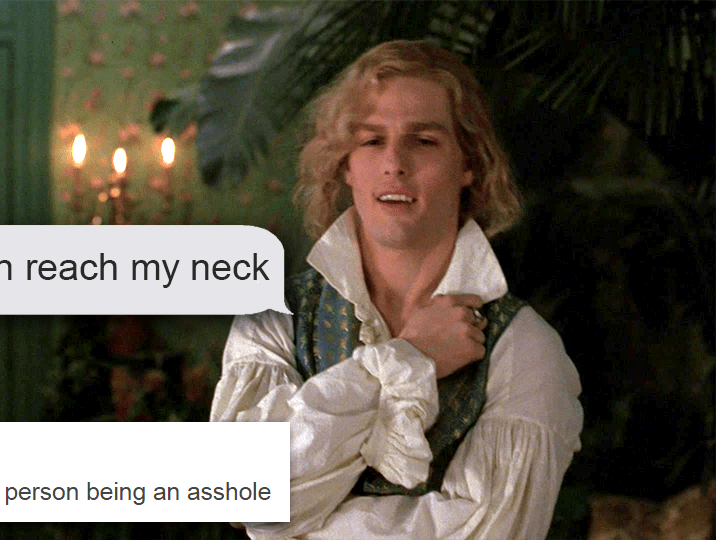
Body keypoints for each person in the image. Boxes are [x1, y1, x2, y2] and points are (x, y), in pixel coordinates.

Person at [210, 40, 583, 539]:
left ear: (469, 163)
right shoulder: (275, 318)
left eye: (424, 141)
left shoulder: (524, 348)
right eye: (371, 140)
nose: (394, 163)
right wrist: (407, 357)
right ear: (345, 163)